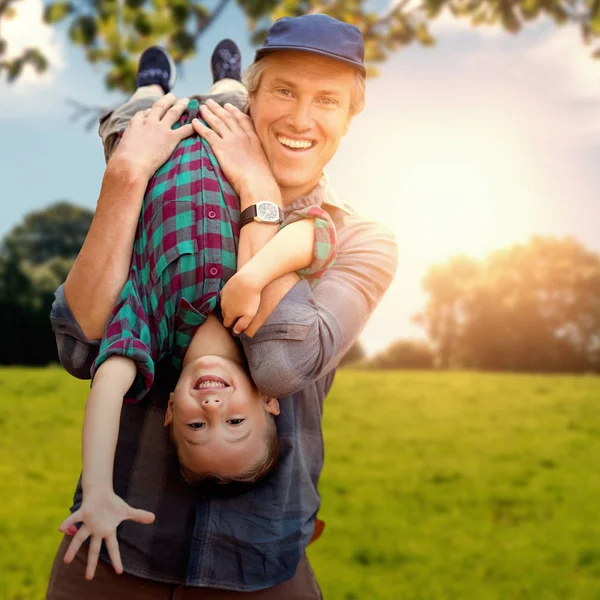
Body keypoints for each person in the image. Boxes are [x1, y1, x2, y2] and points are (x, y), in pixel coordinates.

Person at [47, 14, 398, 599]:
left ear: (349, 118)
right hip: (113, 558)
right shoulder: (166, 179)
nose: (301, 118)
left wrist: (260, 195)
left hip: (259, 565)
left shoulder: (361, 239)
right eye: (284, 90)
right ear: (250, 97)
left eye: (328, 100)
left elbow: (281, 366)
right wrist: (127, 175)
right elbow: (80, 345)